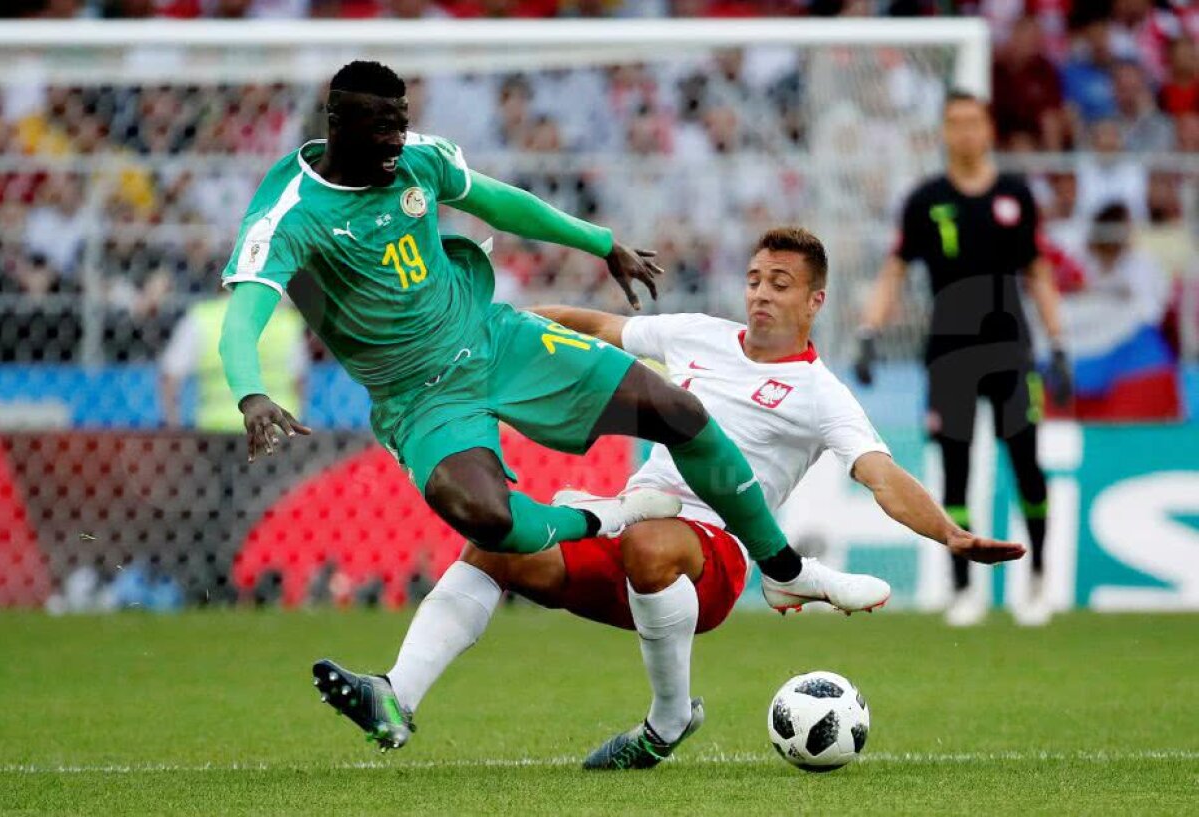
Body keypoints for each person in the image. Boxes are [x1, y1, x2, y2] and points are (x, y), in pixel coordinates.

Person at [218, 61, 890, 743]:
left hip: (493, 338)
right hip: (420, 399)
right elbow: (243, 316)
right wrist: (251, 394)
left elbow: (498, 201)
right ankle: (414, 679)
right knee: (489, 523)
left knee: (677, 410)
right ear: (339, 124)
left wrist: (600, 243)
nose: (398, 137)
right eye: (382, 126)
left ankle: (787, 570)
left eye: (402, 119)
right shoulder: (290, 212)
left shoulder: (418, 159)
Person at [314, 226, 1026, 769]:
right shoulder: (698, 336)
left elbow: (881, 475)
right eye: (753, 278)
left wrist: (950, 535)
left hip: (710, 554)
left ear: (815, 301)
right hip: (631, 531)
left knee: (651, 540)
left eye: (780, 282)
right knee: (497, 547)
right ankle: (396, 694)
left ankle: (666, 718)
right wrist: (493, 325)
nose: (760, 293)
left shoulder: (821, 394)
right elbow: (594, 327)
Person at [854, 91, 1070, 628]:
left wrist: (1059, 343)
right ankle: (963, 588)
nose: (965, 133)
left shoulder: (1016, 195)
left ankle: (1039, 579)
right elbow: (895, 271)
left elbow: (1039, 273)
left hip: (1012, 351)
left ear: (988, 129)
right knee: (955, 471)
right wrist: (868, 331)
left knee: (1027, 465)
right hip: (949, 353)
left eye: (974, 122)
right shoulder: (925, 198)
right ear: (944, 133)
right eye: (955, 123)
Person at [160, 287, 308, 431]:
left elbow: (170, 375)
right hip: (276, 424)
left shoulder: (202, 318)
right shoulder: (284, 319)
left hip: (219, 428)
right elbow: (299, 379)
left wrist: (174, 424)